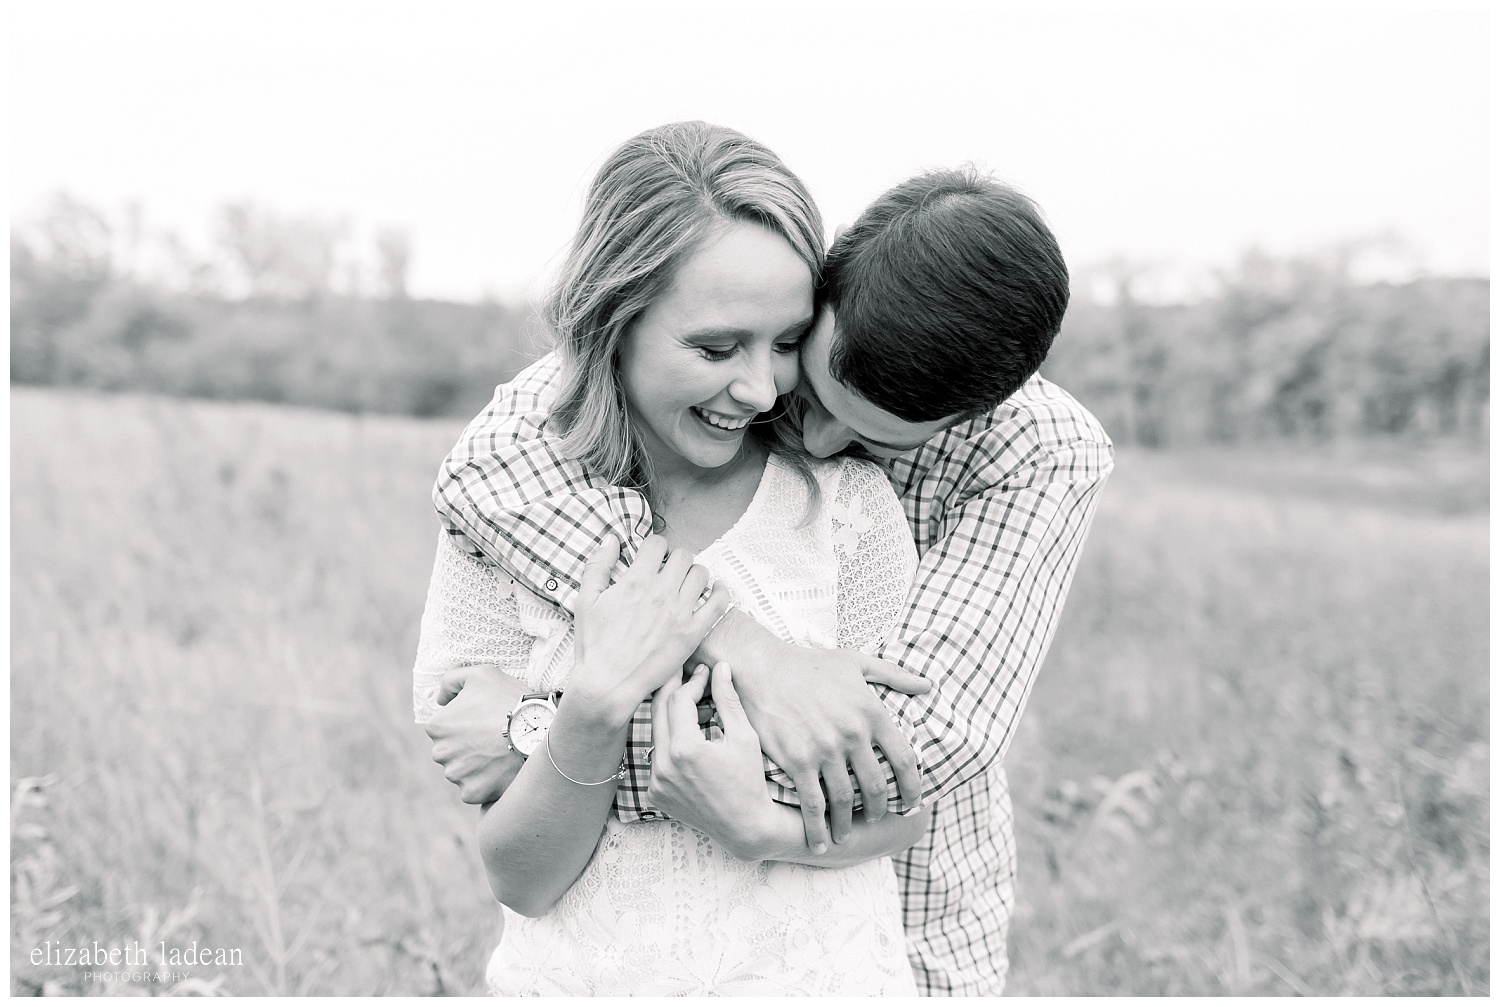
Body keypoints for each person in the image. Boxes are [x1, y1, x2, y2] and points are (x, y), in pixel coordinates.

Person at [426, 142, 1116, 994]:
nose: (811, 437)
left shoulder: (1035, 453)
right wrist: (749, 651)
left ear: (975, 414)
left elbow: (920, 748)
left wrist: (538, 729)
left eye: (873, 439)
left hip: (912, 912)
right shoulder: (726, 364)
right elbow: (489, 468)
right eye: (815, 391)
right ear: (827, 296)